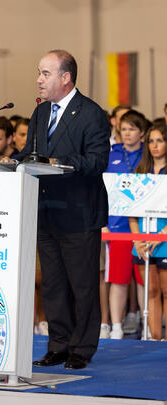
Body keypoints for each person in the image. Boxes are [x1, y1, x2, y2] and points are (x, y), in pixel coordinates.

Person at [17, 50, 110, 369]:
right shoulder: (41, 113)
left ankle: (81, 348)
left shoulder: (91, 113)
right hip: (45, 212)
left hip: (79, 213)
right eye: (39, 73)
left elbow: (98, 161)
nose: (39, 80)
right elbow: (30, 153)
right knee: (53, 284)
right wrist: (8, 162)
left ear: (65, 77)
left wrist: (58, 162)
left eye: (45, 73)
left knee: (82, 285)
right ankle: (58, 344)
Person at [105, 110, 147, 339]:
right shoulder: (111, 155)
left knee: (143, 280)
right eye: (123, 129)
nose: (127, 133)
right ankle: (116, 327)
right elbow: (101, 190)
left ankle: (146, 325)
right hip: (117, 227)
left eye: (132, 128)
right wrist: (104, 224)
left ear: (141, 132)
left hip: (143, 228)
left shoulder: (149, 154)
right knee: (118, 279)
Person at [129, 124, 167, 340]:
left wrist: (161, 234)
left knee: (166, 292)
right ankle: (154, 339)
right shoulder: (139, 173)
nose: (154, 145)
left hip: (164, 241)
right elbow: (130, 210)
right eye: (151, 141)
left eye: (160, 140)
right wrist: (136, 239)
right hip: (143, 243)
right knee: (150, 292)